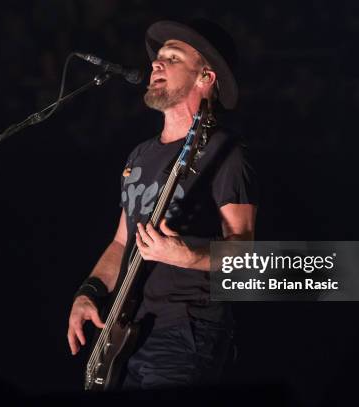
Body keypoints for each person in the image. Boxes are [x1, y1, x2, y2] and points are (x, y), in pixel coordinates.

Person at [67, 19, 257, 390]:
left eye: (172, 57)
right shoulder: (140, 155)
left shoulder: (225, 154)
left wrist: (185, 254)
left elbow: (245, 256)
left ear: (205, 78)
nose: (156, 63)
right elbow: (122, 243)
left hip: (185, 331)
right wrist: (88, 292)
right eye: (158, 57)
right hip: (128, 328)